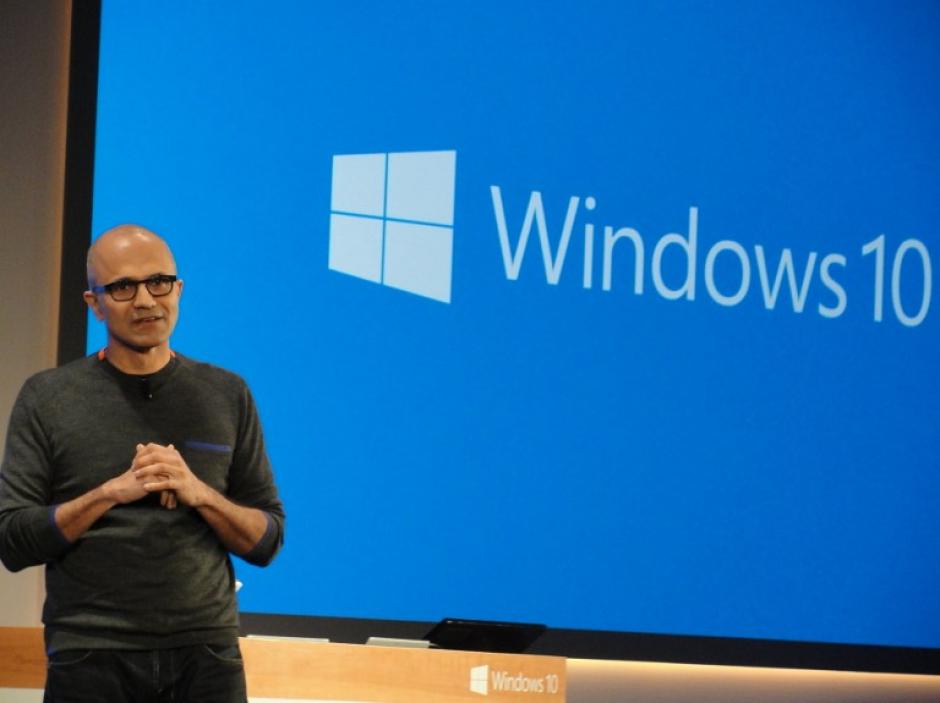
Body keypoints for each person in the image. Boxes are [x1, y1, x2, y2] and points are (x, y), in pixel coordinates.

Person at [0, 224, 285, 702]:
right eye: (123, 288)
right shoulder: (48, 398)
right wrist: (110, 493)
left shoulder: (227, 393)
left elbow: (266, 540)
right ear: (94, 304)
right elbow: (13, 541)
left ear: (179, 290)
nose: (146, 300)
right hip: (89, 652)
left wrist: (198, 492)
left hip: (205, 652)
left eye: (158, 282)